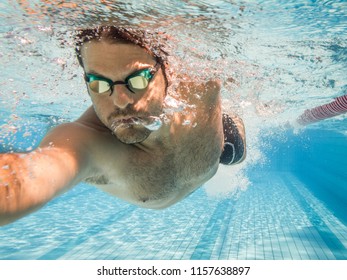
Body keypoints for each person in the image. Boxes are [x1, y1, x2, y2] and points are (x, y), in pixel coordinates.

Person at [0, 25, 246, 226]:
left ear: (167, 71)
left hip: (222, 144)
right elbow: (35, 173)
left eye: (136, 80)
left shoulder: (202, 82)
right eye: (99, 83)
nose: (120, 101)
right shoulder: (87, 143)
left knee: (235, 152)